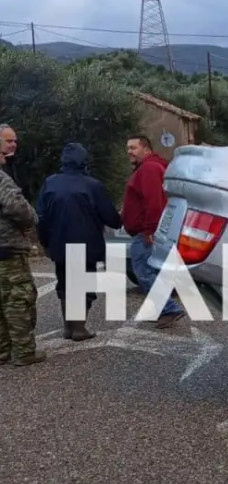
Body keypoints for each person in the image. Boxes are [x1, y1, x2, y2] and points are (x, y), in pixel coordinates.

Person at [36, 143, 122, 340]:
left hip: (59, 244)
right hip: (86, 244)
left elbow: (41, 216)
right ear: (84, 161)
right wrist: (120, 219)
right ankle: (79, 328)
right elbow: (110, 217)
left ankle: (69, 327)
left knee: (64, 284)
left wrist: (45, 242)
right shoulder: (92, 185)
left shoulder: (50, 183)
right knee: (84, 285)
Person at [121, 134, 185, 329]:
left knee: (143, 271)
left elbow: (154, 202)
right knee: (153, 271)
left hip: (146, 232)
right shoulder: (151, 167)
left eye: (134, 147)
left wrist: (150, 230)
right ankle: (164, 309)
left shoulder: (148, 169)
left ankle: (169, 309)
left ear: (146, 149)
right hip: (149, 230)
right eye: (128, 148)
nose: (129, 152)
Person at [0, 145, 44, 366]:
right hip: (7, 249)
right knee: (18, 298)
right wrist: (31, 219)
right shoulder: (1, 179)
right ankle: (24, 351)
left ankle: (2, 350)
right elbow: (16, 206)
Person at [0, 123, 32, 202]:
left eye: (15, 141)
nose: (14, 145)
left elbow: (26, 192)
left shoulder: (18, 163)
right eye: (9, 141)